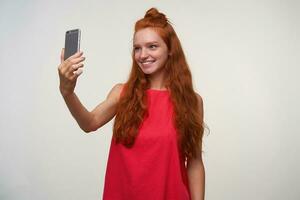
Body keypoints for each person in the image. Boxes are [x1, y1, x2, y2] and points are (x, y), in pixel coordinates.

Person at [58, 7, 205, 200]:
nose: (142, 55)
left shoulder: (192, 101)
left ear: (170, 50)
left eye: (152, 46)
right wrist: (67, 92)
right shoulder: (122, 93)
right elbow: (89, 123)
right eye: (137, 48)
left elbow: (194, 163)